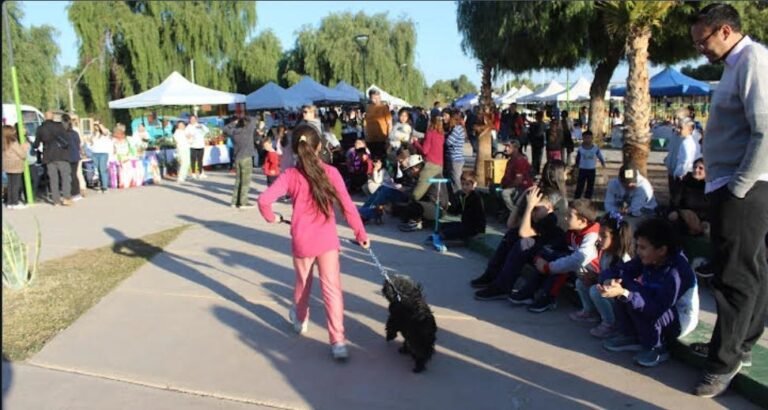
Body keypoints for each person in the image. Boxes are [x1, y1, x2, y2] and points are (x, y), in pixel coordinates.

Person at [688, 4, 768, 397]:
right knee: (751, 269)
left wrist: (738, 187)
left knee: (735, 276)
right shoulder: (737, 65)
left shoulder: (752, 59)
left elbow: (765, 130)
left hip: (746, 187)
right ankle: (738, 345)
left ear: (723, 30)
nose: (699, 49)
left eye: (701, 41)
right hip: (737, 184)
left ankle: (725, 361)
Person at [257, 124, 369, 361]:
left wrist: (273, 218)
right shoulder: (331, 172)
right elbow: (348, 207)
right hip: (327, 240)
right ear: (319, 147)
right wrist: (360, 234)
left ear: (296, 149)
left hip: (302, 240)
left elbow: (264, 200)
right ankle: (338, 341)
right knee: (332, 290)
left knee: (302, 285)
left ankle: (300, 319)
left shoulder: (290, 175)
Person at [599, 218, 697, 368]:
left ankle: (657, 347)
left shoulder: (677, 272)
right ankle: (631, 335)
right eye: (637, 246)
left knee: (632, 295)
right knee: (625, 286)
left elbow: (657, 308)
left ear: (662, 250)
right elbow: (621, 270)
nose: (638, 252)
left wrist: (626, 293)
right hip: (654, 303)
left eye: (643, 248)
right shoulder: (649, 258)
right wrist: (609, 280)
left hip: (677, 317)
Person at [474, 187, 567, 300]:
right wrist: (520, 200)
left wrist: (529, 206)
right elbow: (511, 224)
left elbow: (524, 233)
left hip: (548, 254)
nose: (533, 211)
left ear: (548, 207)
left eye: (536, 208)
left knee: (522, 244)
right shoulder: (538, 214)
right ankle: (491, 274)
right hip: (537, 250)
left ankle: (502, 287)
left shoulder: (551, 218)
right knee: (511, 235)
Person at [522, 199, 601, 313]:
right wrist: (539, 257)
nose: (565, 218)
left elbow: (577, 260)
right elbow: (556, 245)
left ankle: (548, 298)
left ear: (582, 221)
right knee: (547, 253)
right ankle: (528, 292)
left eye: (569, 216)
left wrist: (547, 267)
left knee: (562, 263)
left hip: (589, 274)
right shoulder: (574, 231)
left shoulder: (592, 236)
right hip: (578, 270)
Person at [571, 213, 634, 338]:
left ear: (616, 239)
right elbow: (603, 274)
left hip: (620, 299)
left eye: (603, 236)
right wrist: (593, 276)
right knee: (581, 282)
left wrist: (599, 281)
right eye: (599, 234)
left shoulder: (624, 259)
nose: (599, 238)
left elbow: (625, 285)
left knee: (596, 291)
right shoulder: (605, 253)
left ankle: (611, 324)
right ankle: (591, 312)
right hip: (605, 287)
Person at [33, 111, 72, 206]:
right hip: (62, 155)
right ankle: (66, 198)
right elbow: (67, 139)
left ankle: (56, 200)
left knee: (53, 179)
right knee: (65, 177)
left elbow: (36, 144)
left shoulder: (40, 128)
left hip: (48, 156)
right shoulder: (60, 126)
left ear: (44, 117)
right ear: (53, 117)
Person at [438, 170, 486, 241]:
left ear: (474, 184)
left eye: (467, 184)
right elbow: (457, 211)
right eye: (463, 184)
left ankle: (450, 238)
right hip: (464, 224)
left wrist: (481, 232)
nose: (464, 187)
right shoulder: (463, 196)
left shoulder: (476, 198)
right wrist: (446, 207)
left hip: (473, 228)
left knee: (448, 232)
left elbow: (481, 215)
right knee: (443, 226)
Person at [669, 158, 709, 237]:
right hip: (684, 218)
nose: (696, 170)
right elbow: (675, 203)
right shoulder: (684, 183)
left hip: (703, 219)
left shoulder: (709, 187)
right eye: (694, 167)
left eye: (700, 168)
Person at [223, 115, 257, 208]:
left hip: (237, 158)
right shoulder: (248, 130)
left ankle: (234, 201)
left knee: (238, 180)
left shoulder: (233, 132)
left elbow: (225, 128)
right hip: (246, 157)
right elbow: (253, 119)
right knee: (245, 181)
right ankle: (243, 202)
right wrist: (244, 116)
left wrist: (233, 123)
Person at [409, 116, 445, 202]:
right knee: (433, 188)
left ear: (430, 122)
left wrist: (415, 142)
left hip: (430, 165)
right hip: (440, 165)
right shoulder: (442, 134)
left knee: (417, 193)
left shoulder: (430, 133)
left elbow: (425, 151)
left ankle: (409, 207)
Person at [499, 140, 533, 212]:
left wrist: (507, 186)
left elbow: (518, 180)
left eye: (509, 147)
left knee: (505, 193)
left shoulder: (519, 161)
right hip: (512, 185)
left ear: (515, 149)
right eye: (506, 147)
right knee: (493, 187)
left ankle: (514, 212)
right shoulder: (510, 160)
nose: (506, 149)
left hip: (521, 187)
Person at [2, 125, 30, 209]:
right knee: (16, 184)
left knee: (10, 184)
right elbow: (22, 154)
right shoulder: (13, 142)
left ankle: (10, 202)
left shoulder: (4, 142)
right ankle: (15, 202)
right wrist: (24, 148)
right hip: (16, 165)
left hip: (7, 165)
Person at [574, 131, 606, 199]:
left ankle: (587, 199)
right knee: (580, 185)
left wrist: (603, 163)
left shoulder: (595, 148)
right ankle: (577, 199)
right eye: (585, 138)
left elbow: (599, 156)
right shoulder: (580, 148)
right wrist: (576, 166)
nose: (587, 139)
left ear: (592, 138)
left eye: (589, 138)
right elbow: (578, 158)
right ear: (583, 138)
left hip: (591, 170)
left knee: (590, 186)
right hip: (582, 169)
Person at [61, 114, 83, 201]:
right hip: (75, 156)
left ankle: (72, 192)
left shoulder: (63, 134)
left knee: (68, 176)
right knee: (74, 175)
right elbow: (78, 144)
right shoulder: (75, 133)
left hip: (67, 156)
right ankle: (76, 192)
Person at [364, 89, 392, 158]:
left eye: (378, 98)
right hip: (370, 139)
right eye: (374, 98)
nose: (377, 100)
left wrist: (389, 138)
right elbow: (365, 123)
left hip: (382, 139)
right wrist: (366, 136)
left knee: (382, 158)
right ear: (370, 98)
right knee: (372, 158)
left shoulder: (384, 108)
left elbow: (389, 123)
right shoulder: (368, 108)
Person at [445, 110, 467, 194]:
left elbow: (449, 142)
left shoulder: (457, 129)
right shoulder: (459, 128)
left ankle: (460, 198)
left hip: (455, 159)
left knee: (456, 181)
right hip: (456, 158)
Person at [89, 121, 113, 193]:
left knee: (102, 170)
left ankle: (105, 187)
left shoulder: (105, 133)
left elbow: (105, 132)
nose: (95, 127)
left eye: (96, 125)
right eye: (94, 125)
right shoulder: (93, 134)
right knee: (98, 170)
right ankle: (100, 185)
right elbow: (91, 142)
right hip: (95, 153)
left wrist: (99, 124)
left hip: (103, 153)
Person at [528, 110, 547, 175]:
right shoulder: (544, 124)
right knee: (539, 157)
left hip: (534, 142)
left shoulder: (533, 125)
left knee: (534, 157)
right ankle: (537, 170)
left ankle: (534, 169)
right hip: (540, 142)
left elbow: (530, 133)